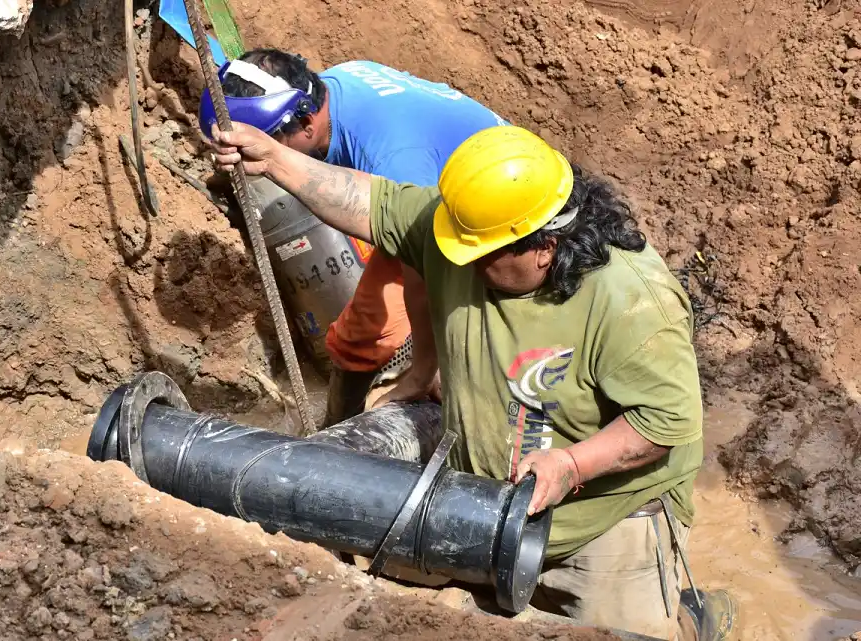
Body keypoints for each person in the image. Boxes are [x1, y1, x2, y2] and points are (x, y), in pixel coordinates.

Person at [207, 122, 738, 640]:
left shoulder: (631, 299)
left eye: (480, 255)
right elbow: (374, 204)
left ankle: (695, 618)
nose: (463, 261)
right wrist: (275, 160)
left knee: (617, 632)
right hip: (482, 495)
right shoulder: (467, 233)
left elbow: (665, 421)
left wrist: (570, 464)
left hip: (604, 519)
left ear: (545, 245)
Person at [201, 49, 507, 427]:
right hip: (449, 192)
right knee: (356, 336)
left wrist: (427, 369)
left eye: (269, 144)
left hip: (497, 225)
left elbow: (426, 270)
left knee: (386, 341)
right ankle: (337, 434)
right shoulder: (338, 81)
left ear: (307, 123)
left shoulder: (396, 158)